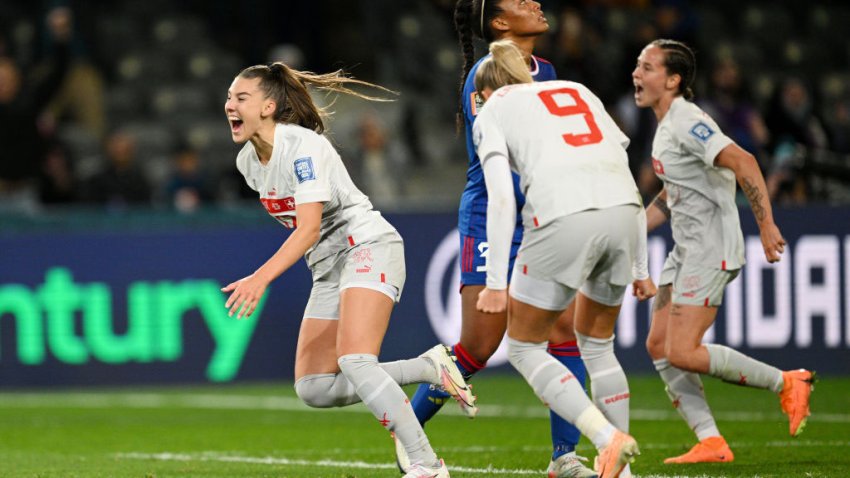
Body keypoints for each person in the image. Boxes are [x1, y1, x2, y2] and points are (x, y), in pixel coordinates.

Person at [221, 62, 479, 478]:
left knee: (356, 359)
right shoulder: (247, 164)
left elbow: (307, 229)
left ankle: (426, 464)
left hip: (368, 245)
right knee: (314, 388)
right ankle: (430, 369)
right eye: (229, 97)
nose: (229, 104)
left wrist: (261, 277)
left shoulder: (302, 146)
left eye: (241, 97)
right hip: (328, 267)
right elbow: (311, 236)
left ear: (269, 106)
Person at [406, 2, 597, 477]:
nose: (535, 3)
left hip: (539, 215)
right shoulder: (484, 76)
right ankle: (407, 432)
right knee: (477, 346)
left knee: (562, 332)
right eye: (520, 1)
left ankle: (565, 459)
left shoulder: (548, 71)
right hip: (492, 214)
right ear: (500, 23)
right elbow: (502, 156)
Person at [474, 40, 656, 478]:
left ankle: (605, 437)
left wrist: (496, 285)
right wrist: (641, 268)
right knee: (598, 344)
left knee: (523, 347)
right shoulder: (576, 89)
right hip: (625, 212)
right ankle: (621, 472)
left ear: (483, 93)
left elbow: (502, 198)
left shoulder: (493, 109)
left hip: (563, 215)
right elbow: (620, 160)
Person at [632, 39, 816, 465]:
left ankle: (788, 382)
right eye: (638, 66)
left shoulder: (687, 121)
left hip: (711, 249)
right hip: (687, 248)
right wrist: (634, 229)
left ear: (673, 80)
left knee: (682, 350)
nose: (636, 74)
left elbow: (745, 162)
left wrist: (766, 225)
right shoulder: (665, 128)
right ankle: (711, 441)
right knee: (659, 344)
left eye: (647, 67)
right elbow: (672, 193)